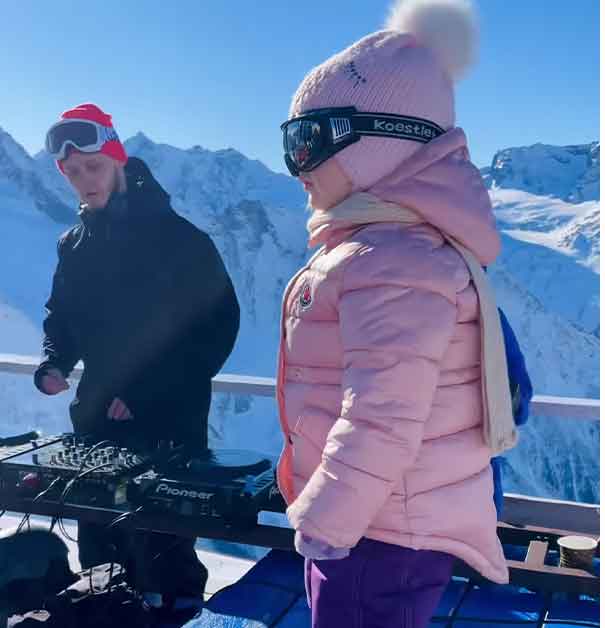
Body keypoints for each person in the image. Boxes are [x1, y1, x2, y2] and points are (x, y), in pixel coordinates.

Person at [273, 1, 515, 625]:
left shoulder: (393, 260)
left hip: (381, 529)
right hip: (380, 517)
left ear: (384, 140)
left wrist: (328, 517)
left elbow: (384, 413)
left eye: (308, 141)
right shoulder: (387, 248)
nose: (295, 165)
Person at [35, 103, 240, 616]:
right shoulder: (74, 245)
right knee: (101, 557)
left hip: (167, 426)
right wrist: (55, 362)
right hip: (99, 424)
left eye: (94, 166)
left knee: (163, 555)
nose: (84, 180)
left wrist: (147, 391)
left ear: (118, 159)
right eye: (72, 172)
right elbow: (63, 317)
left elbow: (217, 329)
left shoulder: (179, 240)